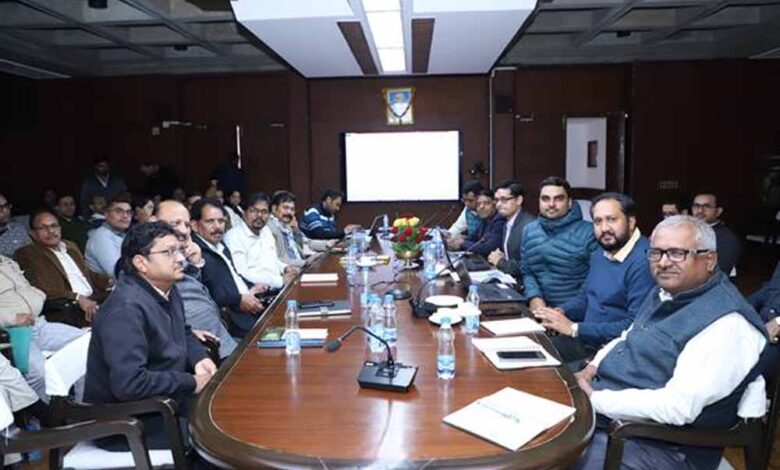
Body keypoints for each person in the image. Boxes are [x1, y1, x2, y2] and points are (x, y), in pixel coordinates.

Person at [574, 215, 767, 470]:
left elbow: (678, 407)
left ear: (709, 260)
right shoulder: (667, 292)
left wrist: (595, 398)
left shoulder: (728, 324)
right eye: (656, 253)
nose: (663, 262)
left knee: (556, 458)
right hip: (612, 412)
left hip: (666, 446)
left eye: (677, 253)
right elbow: (629, 335)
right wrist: (593, 366)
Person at [85, 222, 216, 451]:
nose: (180, 259)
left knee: (227, 410)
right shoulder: (125, 309)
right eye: (168, 252)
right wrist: (191, 382)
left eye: (179, 250)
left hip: (165, 400)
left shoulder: (166, 288)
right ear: (141, 263)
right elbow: (130, 384)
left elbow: (183, 330)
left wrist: (198, 358)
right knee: (214, 438)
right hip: (128, 420)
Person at [533, 193, 655, 366]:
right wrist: (561, 312)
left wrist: (575, 328)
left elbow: (634, 325)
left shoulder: (645, 261)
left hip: (614, 354)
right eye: (598, 221)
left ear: (631, 222)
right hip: (585, 342)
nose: (604, 228)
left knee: (543, 372)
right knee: (528, 350)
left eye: (611, 219)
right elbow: (585, 297)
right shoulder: (602, 251)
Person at [153, 200, 237, 359]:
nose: (184, 231)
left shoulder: (184, 256)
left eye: (186, 225)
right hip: (201, 352)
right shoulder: (148, 262)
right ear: (153, 222)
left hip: (223, 341)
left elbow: (196, 293)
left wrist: (196, 265)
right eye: (175, 223)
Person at [0, 254, 86, 401]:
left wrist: (39, 297)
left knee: (86, 345)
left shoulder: (6, 261)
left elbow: (26, 287)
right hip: (12, 334)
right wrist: (11, 318)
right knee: (41, 373)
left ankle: (82, 404)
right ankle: (49, 412)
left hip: (38, 323)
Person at [14, 210, 109, 327]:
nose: (51, 231)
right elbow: (39, 289)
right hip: (69, 307)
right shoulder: (28, 254)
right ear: (32, 233)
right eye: (43, 228)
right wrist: (77, 297)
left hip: (94, 300)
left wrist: (110, 282)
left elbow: (88, 275)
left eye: (54, 226)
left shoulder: (70, 246)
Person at [190, 198, 267, 338]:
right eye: (210, 221)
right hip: (233, 323)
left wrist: (251, 288)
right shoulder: (195, 253)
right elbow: (209, 294)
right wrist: (239, 299)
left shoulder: (220, 246)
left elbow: (233, 277)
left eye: (221, 221)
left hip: (250, 308)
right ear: (194, 225)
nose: (217, 227)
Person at [521, 176, 598, 309]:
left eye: (558, 199)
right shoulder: (529, 230)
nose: (551, 204)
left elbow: (595, 279)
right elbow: (527, 271)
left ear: (569, 202)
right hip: (538, 309)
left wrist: (563, 311)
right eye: (545, 199)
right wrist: (534, 298)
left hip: (576, 313)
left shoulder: (589, 233)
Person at [224, 192, 299, 290]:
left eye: (264, 212)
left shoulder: (266, 231)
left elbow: (271, 261)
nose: (259, 215)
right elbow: (241, 273)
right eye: (254, 211)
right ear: (244, 213)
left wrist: (285, 268)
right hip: (257, 293)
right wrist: (280, 281)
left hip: (279, 288)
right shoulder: (234, 237)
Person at [267, 191, 333, 268]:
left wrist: (296, 231)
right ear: (274, 209)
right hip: (290, 270)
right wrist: (305, 263)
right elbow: (278, 259)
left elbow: (305, 242)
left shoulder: (286, 225)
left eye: (292, 209)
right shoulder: (270, 229)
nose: (289, 212)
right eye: (285, 208)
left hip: (300, 266)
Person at [487, 181, 535, 279]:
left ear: (519, 200)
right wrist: (502, 257)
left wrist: (501, 262)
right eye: (497, 200)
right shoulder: (507, 223)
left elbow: (530, 266)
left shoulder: (530, 226)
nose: (498, 204)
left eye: (504, 200)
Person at [691, 192, 742, 276]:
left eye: (706, 206)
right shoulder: (688, 230)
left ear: (718, 211)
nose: (700, 210)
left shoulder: (727, 238)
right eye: (696, 206)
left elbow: (721, 271)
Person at [85, 195, 133, 277]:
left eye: (128, 212)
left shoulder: (123, 234)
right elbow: (116, 272)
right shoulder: (101, 237)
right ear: (106, 214)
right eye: (119, 211)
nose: (125, 216)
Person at [447, 188, 505, 256]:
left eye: (486, 203)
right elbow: (472, 238)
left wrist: (462, 243)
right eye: (478, 204)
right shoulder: (484, 220)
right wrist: (457, 240)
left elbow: (488, 248)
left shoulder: (500, 221)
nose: (481, 207)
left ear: (495, 204)